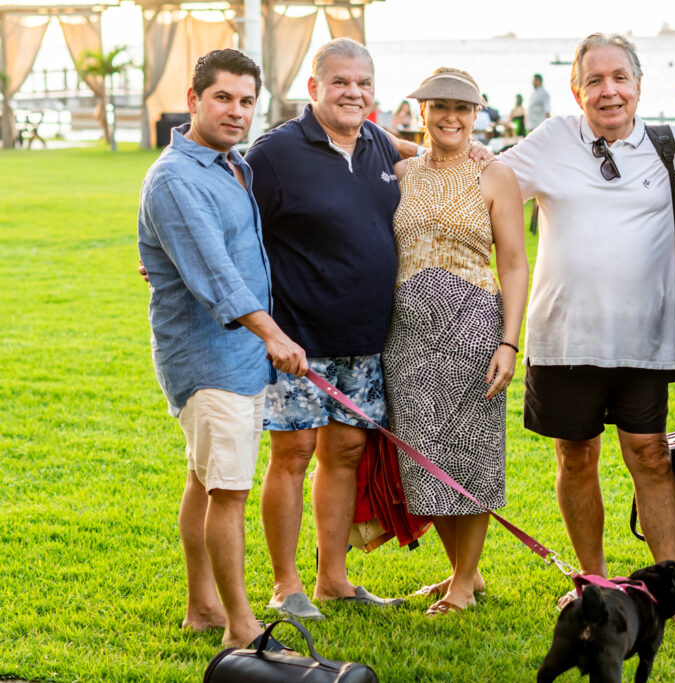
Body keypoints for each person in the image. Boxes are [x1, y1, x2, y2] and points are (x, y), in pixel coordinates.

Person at [498, 33, 675, 624]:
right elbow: (484, 183)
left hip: (645, 340)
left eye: (620, 77)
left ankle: (673, 591)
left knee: (650, 456)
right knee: (576, 458)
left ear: (639, 85)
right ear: (576, 89)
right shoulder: (550, 140)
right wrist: (388, 146)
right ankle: (594, 582)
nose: (609, 90)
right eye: (595, 80)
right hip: (562, 337)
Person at [138, 49, 308, 649]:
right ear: (193, 100)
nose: (236, 111)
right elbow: (217, 275)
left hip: (235, 359)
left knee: (207, 480)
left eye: (246, 101)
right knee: (231, 491)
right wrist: (275, 335)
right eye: (223, 98)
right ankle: (242, 626)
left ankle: (203, 607)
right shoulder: (177, 178)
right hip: (209, 359)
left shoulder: (231, 164)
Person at [244, 37, 406, 621]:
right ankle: (286, 585)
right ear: (313, 88)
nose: (353, 92)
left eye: (363, 83)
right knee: (293, 453)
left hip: (364, 339)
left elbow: (429, 152)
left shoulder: (380, 145)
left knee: (347, 452)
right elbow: (226, 215)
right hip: (296, 342)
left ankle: (333, 578)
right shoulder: (275, 153)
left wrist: (478, 152)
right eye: (340, 82)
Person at [385, 68, 529, 616]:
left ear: (478, 115)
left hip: (472, 328)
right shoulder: (400, 172)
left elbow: (514, 265)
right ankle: (459, 572)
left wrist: (509, 343)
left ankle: (464, 584)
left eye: (463, 109)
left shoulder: (494, 175)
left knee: (471, 457)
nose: (451, 117)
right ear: (420, 110)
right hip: (407, 337)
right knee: (426, 460)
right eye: (440, 106)